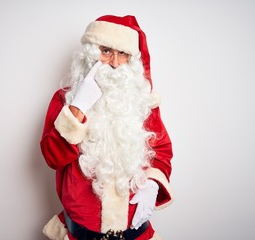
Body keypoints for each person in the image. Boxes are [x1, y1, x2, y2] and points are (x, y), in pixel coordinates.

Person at [40, 15, 174, 240]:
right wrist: (78, 107)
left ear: (131, 59)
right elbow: (53, 158)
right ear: (91, 53)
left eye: (123, 53)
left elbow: (162, 151)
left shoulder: (142, 102)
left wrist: (152, 185)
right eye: (106, 51)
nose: (114, 62)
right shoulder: (66, 100)